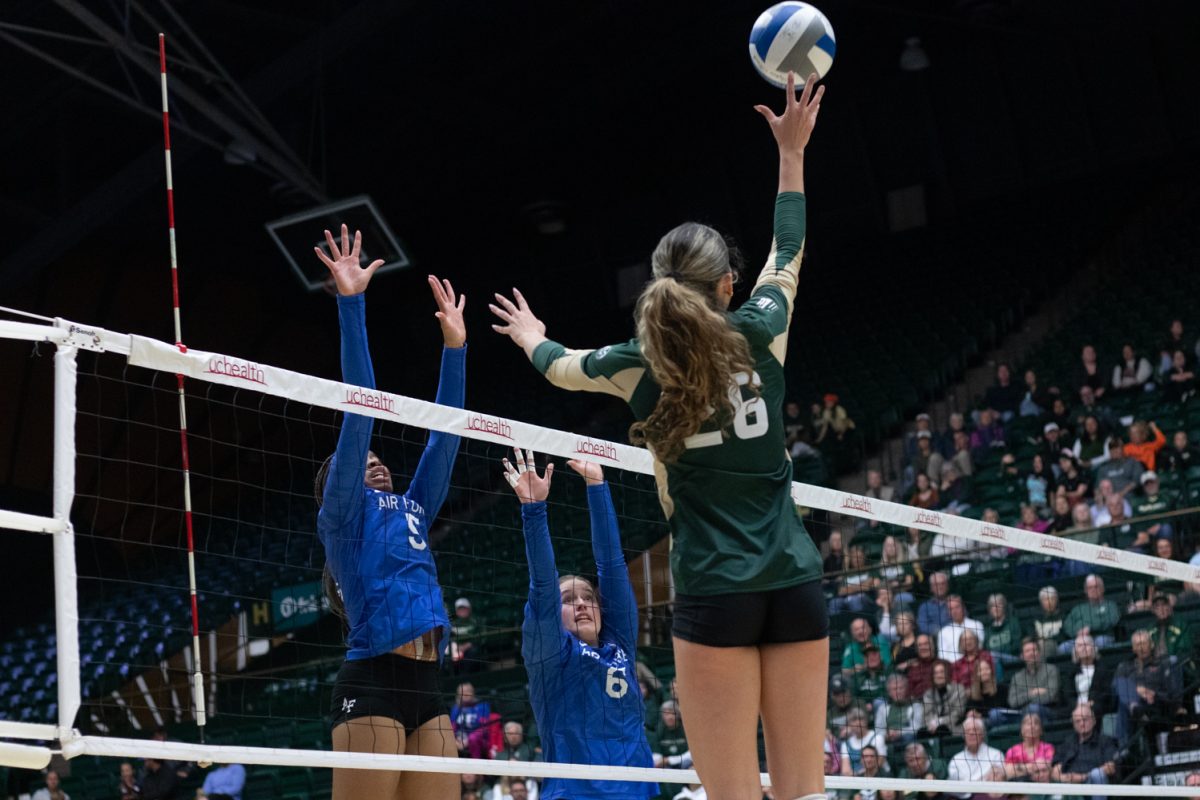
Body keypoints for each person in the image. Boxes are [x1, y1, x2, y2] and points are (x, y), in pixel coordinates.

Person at [490, 71, 828, 800]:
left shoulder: (636, 363)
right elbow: (789, 247)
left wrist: (530, 335)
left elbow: (559, 367)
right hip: (795, 581)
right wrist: (791, 153)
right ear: (728, 284)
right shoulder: (762, 329)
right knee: (804, 793)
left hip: (713, 591)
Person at [314, 226, 466, 800]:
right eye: (362, 462)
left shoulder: (412, 510)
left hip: (428, 682)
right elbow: (360, 412)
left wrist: (455, 349)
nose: (375, 463)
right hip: (373, 679)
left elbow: (445, 439)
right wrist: (351, 304)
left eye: (380, 461)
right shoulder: (342, 517)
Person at [504, 450, 655, 799]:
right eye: (569, 600)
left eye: (588, 597)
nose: (583, 603)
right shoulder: (551, 654)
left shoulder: (620, 644)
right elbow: (543, 585)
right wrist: (534, 510)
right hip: (575, 791)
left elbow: (612, 565)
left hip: (636, 790)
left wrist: (596, 485)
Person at [1050, 704, 1119, 797]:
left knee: (1097, 775)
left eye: (1085, 719)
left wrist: (1083, 777)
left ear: (1094, 721)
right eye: (1078, 721)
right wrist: (1066, 778)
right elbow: (1055, 770)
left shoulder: (1105, 741)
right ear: (1074, 725)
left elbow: (1110, 767)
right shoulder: (1068, 742)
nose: (1082, 724)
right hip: (1069, 786)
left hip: (1092, 785)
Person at [1061, 575, 1120, 653]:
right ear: (1086, 591)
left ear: (1102, 589)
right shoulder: (1078, 608)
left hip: (1101, 637)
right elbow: (1067, 625)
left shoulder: (1110, 605)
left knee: (1101, 642)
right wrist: (1078, 632)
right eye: (1090, 588)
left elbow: (1112, 620)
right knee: (1063, 648)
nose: (1093, 590)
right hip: (1079, 640)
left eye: (1096, 587)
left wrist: (1090, 628)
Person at [947, 715, 1006, 789]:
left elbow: (999, 782)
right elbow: (955, 787)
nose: (971, 733)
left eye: (975, 730)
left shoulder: (996, 755)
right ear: (963, 736)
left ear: (982, 734)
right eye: (967, 731)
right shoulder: (955, 760)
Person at [1007, 638, 1059, 718]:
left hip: (1046, 711)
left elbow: (1051, 696)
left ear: (1039, 653)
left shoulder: (1051, 670)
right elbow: (1012, 702)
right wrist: (1032, 693)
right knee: (995, 715)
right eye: (1027, 651)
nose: (1031, 653)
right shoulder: (1016, 677)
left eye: (1034, 650)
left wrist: (1024, 698)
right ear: (1022, 656)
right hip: (1021, 714)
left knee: (1033, 708)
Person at [451, 683, 498, 760]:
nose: (465, 694)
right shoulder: (455, 708)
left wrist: (467, 740)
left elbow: (484, 728)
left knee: (473, 738)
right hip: (459, 739)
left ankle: (476, 765)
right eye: (462, 692)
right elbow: (452, 728)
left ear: (473, 693)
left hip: (479, 739)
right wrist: (454, 741)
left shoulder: (482, 705)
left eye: (468, 691)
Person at [1003, 713, 1055, 783]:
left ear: (1041, 730)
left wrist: (1019, 768)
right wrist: (1036, 768)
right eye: (1028, 724)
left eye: (1036, 723)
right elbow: (1008, 772)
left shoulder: (1048, 748)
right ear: (1022, 730)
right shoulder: (1012, 751)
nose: (1032, 726)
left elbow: (1048, 768)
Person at [922, 660, 966, 735]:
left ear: (947, 674)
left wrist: (940, 721)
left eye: (942, 672)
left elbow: (958, 713)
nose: (939, 675)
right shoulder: (928, 694)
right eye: (936, 673)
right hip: (933, 728)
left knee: (942, 730)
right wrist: (932, 724)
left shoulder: (959, 689)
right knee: (921, 733)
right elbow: (927, 715)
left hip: (954, 727)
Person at [936, 596, 984, 663]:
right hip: (953, 667)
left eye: (957, 607)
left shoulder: (977, 625)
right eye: (951, 609)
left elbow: (980, 648)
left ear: (963, 608)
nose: (954, 611)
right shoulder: (943, 632)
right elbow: (942, 657)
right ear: (948, 612)